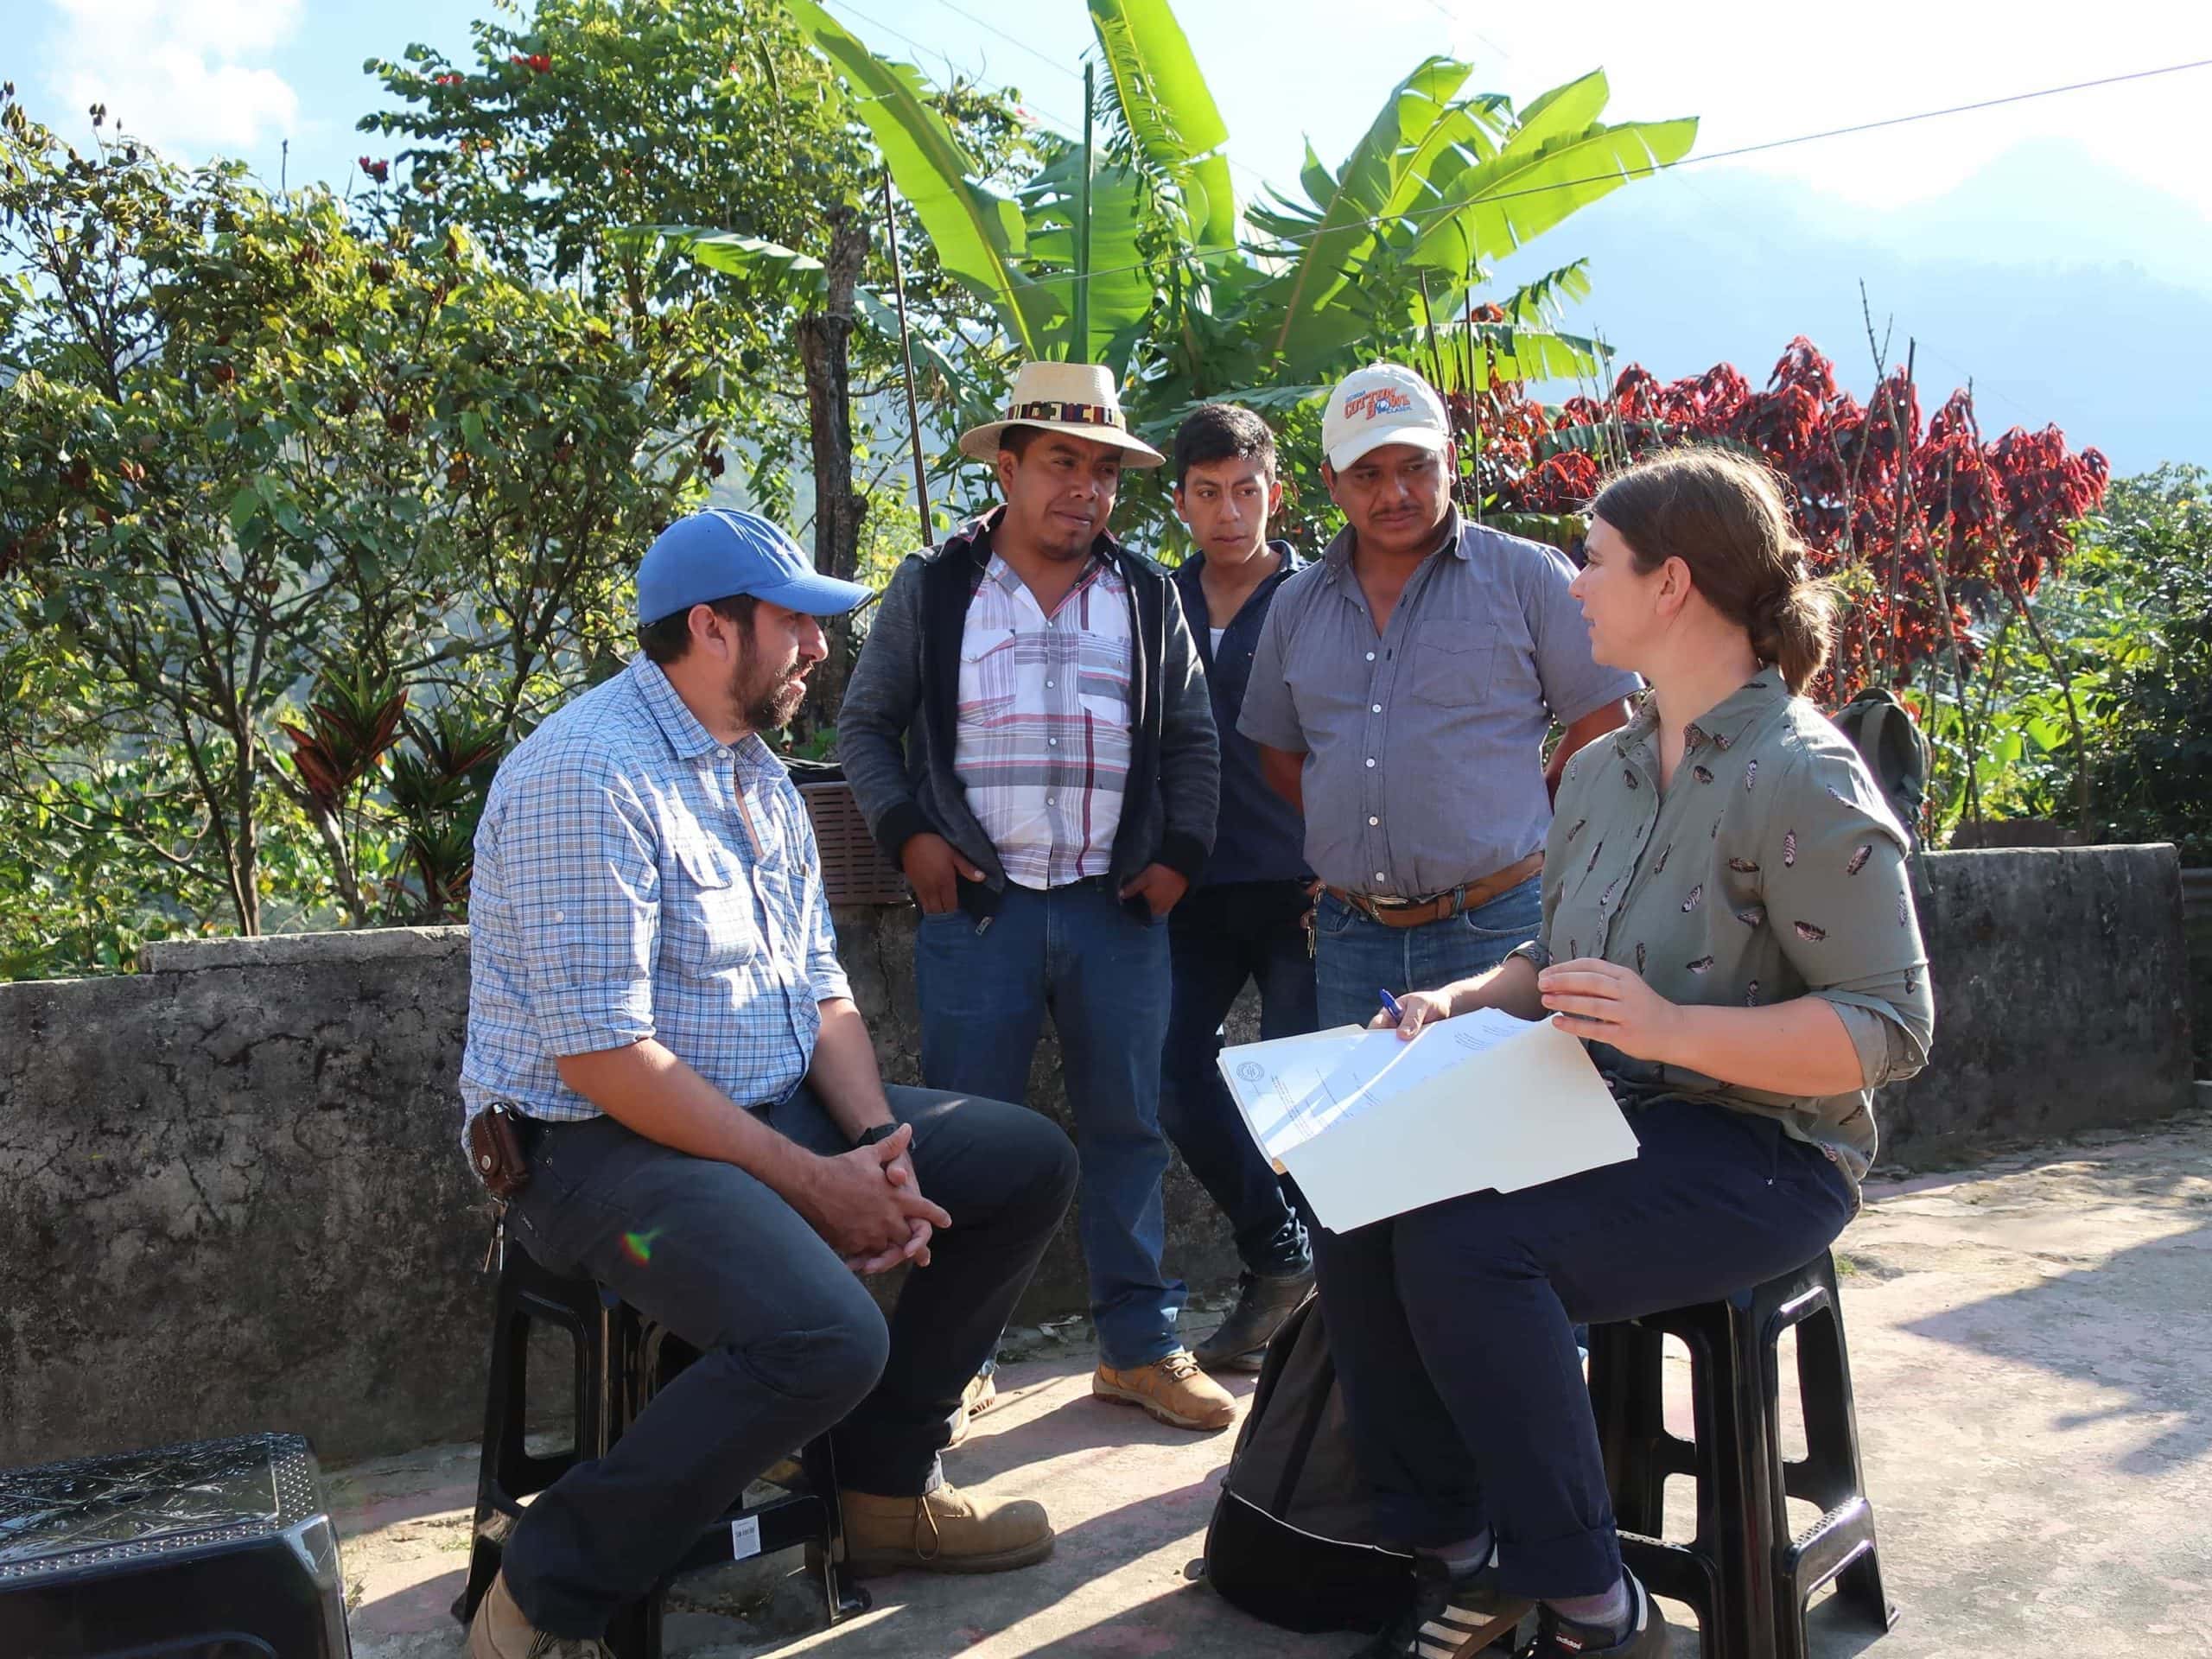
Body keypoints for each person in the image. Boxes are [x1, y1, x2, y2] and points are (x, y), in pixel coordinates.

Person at [1318, 449, 1936, 1659]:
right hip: (1614, 1106)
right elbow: (1555, 964)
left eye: (1593, 562)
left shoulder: (1798, 776)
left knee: (1469, 1247)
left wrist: (1670, 1030)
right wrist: (1453, 1002)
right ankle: (1461, 1556)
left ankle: (1602, 1609)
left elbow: (1887, 1029)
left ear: (1673, 585)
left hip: (1765, 1150)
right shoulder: (1601, 769)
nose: (1573, 588)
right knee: (1355, 1196)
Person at [460, 510, 1080, 1659]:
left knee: (1022, 1161)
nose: (818, 649)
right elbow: (603, 1058)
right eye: (796, 622)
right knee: (826, 1338)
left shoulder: (757, 777)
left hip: (756, 1108)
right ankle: (543, 1590)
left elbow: (823, 992)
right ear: (709, 627)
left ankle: (883, 1494)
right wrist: (811, 1181)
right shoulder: (586, 775)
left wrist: (880, 1147)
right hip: (595, 1146)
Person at [839, 360, 1236, 1433]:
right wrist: (910, 832)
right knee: (970, 1138)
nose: (1085, 489)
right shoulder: (937, 587)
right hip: (979, 911)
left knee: (1128, 1127)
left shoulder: (1148, 597)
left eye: (1103, 470)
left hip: (1118, 913)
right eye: (1061, 463)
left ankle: (1140, 1344)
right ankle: (962, 1352)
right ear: (1007, 467)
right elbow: (864, 730)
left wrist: (1177, 856)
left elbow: (1193, 743)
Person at [1237, 363, 1640, 1033]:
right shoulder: (1295, 604)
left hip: (1501, 929)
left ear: (1450, 461)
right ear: (1331, 482)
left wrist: (1529, 808)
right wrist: (1366, 819)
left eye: (1415, 466)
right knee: (1368, 1134)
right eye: (1367, 474)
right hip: (1350, 936)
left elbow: (1606, 724)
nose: (1394, 492)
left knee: (1508, 1134)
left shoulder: (1527, 577)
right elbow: (1280, 755)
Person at [1161, 403, 1317, 1370]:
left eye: (1246, 490)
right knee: (1170, 1072)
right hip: (1191, 887)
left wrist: (1342, 857)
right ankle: (1279, 1255)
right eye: (1209, 494)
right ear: (1179, 501)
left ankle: (1313, 1315)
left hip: (1304, 885)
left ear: (1275, 491)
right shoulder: (1152, 601)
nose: (1230, 512)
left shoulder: (1318, 598)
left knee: (1303, 1096)